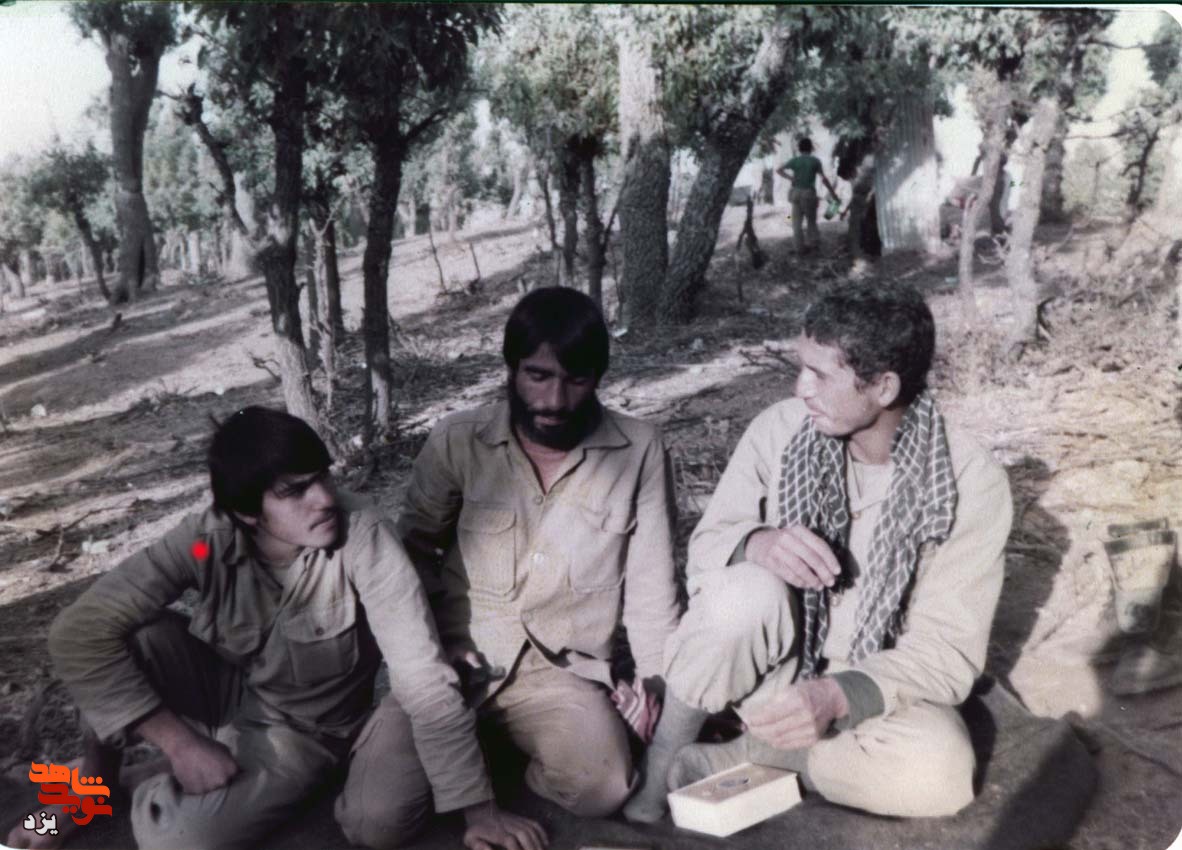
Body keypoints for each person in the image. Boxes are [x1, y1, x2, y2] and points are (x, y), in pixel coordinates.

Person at [6, 407, 544, 850]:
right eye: (295, 491)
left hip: (307, 733)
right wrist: (178, 743)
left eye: (323, 477)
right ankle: (88, 789)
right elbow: (77, 632)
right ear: (246, 511)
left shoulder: (361, 537)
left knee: (179, 840)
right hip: (227, 698)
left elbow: (421, 677)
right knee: (130, 641)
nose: (324, 498)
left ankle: (158, 786)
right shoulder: (205, 542)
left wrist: (481, 813)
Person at [624, 283, 1013, 822]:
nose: (800, 388)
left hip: (875, 691)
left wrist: (837, 696)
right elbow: (707, 547)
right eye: (800, 367)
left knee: (939, 774)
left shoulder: (969, 480)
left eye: (820, 375)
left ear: (884, 387)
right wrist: (757, 544)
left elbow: (945, 651)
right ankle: (665, 756)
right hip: (770, 675)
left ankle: (751, 756)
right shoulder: (780, 430)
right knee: (740, 595)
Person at [397, 287, 680, 819]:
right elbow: (407, 559)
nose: (554, 401)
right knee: (374, 819)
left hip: (561, 676)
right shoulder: (457, 439)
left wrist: (653, 688)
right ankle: (484, 756)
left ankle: (516, 759)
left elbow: (652, 586)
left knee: (603, 786)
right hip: (454, 667)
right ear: (510, 368)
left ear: (598, 377)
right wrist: (434, 647)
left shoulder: (640, 448)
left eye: (576, 380)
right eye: (537, 375)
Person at [777, 136, 840, 255]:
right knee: (811, 221)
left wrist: (791, 178)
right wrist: (833, 194)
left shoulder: (795, 160)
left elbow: (779, 170)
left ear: (799, 148)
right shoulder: (815, 161)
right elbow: (824, 179)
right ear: (811, 148)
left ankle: (799, 249)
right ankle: (814, 246)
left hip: (795, 192)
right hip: (808, 193)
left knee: (796, 223)